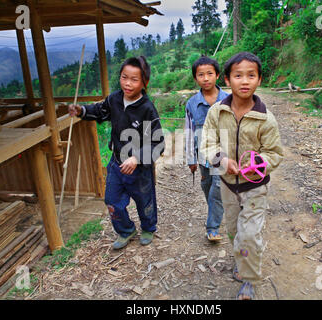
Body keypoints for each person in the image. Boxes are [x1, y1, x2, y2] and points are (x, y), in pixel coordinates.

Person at [200, 52, 283, 299]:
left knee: (249, 234)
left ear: (259, 80)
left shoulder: (265, 117)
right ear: (227, 80)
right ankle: (242, 259)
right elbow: (207, 142)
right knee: (234, 231)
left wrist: (256, 164)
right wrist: (221, 160)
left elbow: (274, 153)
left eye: (251, 75)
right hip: (227, 184)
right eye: (238, 75)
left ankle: (248, 280)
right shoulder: (217, 112)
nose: (244, 81)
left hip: (254, 187)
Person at [69, 56, 165, 250]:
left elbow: (157, 143)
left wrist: (136, 158)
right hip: (116, 162)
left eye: (134, 79)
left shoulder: (146, 109)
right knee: (112, 200)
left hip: (140, 168)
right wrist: (81, 111)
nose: (128, 83)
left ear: (144, 82)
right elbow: (99, 111)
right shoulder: (114, 99)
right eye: (124, 77)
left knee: (144, 200)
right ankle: (126, 230)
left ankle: (148, 228)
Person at [185, 56, 228, 242]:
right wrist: (190, 159)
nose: (206, 78)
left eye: (210, 73)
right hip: (203, 155)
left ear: (217, 75)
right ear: (195, 78)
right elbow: (189, 131)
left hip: (223, 153)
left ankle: (212, 228)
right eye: (200, 75)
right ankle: (216, 211)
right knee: (208, 186)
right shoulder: (192, 104)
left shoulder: (228, 98)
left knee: (218, 186)